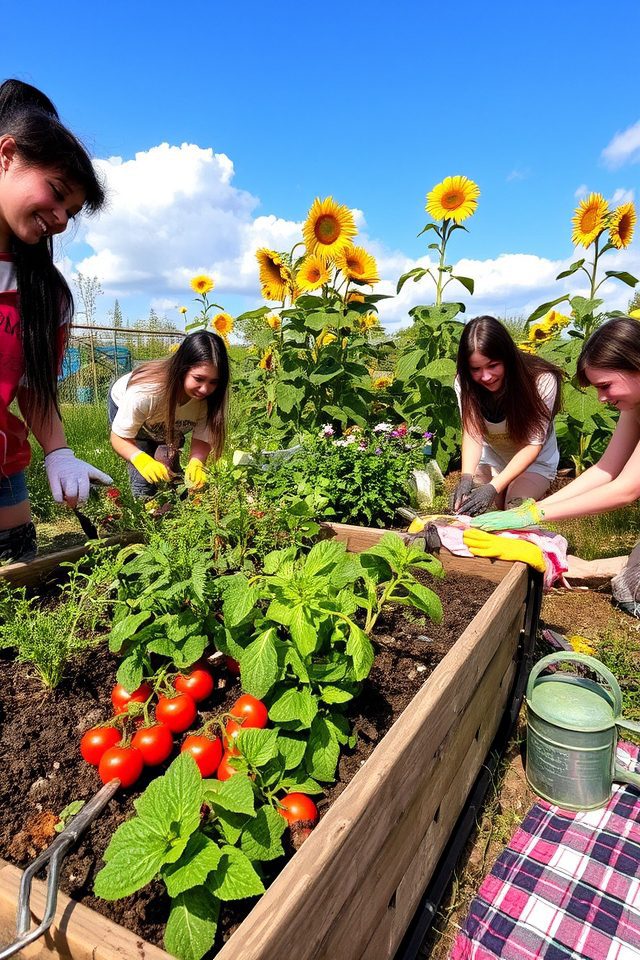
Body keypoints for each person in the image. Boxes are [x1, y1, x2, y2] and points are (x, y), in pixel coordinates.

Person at [0, 79, 111, 564]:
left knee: (19, 593)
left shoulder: (47, 296)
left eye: (71, 210)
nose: (63, 219)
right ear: (7, 154)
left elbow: (34, 386)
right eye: (58, 192)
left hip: (4, 474)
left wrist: (58, 452)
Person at [470, 316, 640, 615]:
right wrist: (529, 511)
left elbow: (626, 490)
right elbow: (605, 471)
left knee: (633, 589)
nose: (601, 398)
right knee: (630, 585)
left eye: (606, 386)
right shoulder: (634, 406)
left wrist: (536, 512)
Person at [450, 315, 563, 516]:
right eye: (476, 369)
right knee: (471, 510)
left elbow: (532, 445)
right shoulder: (464, 383)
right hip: (492, 458)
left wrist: (493, 488)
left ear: (508, 358)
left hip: (535, 462)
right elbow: (472, 433)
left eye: (493, 365)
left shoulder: (541, 381)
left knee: (513, 508)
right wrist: (466, 478)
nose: (485, 376)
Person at [109, 331, 229, 499]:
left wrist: (197, 462)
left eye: (213, 382)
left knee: (173, 472)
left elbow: (202, 438)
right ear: (182, 369)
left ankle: (175, 504)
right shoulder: (145, 393)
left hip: (166, 420)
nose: (205, 389)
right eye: (198, 379)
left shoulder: (209, 400)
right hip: (132, 408)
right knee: (144, 480)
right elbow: (120, 438)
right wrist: (141, 459)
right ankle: (146, 507)